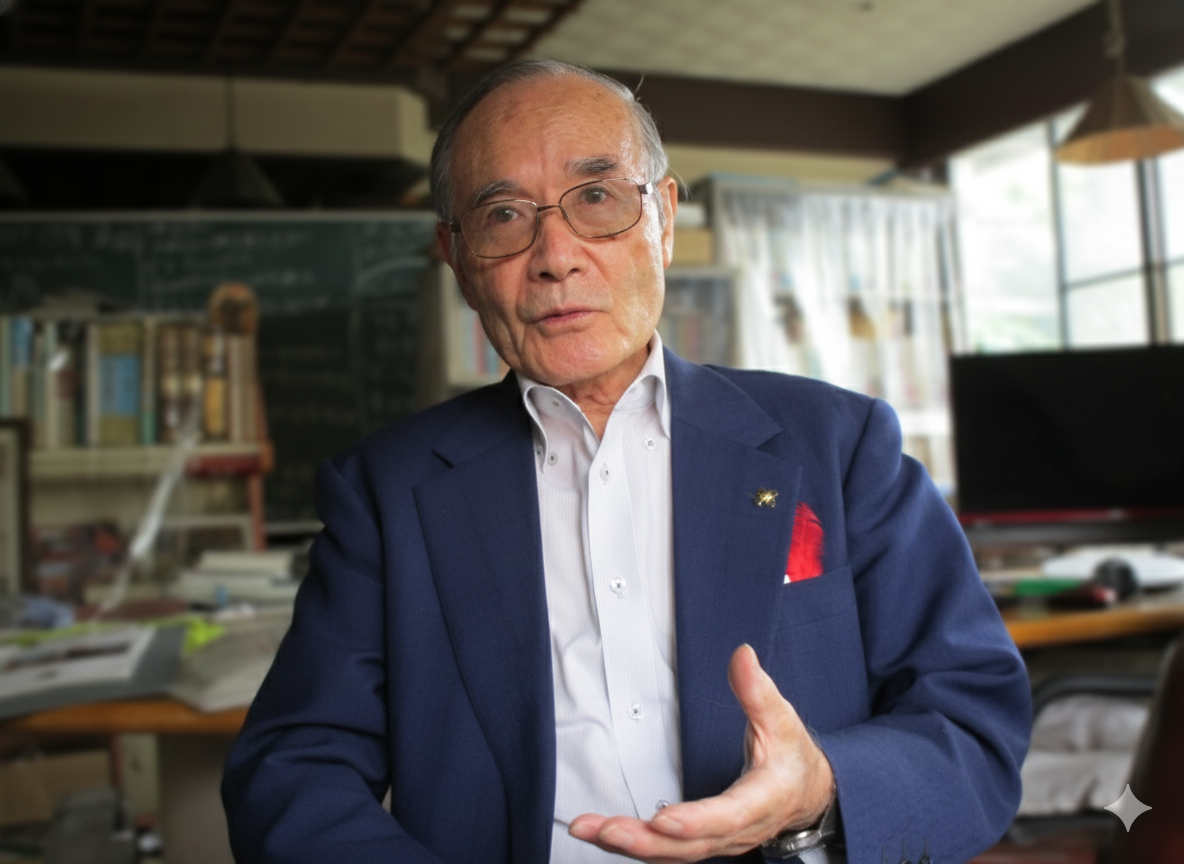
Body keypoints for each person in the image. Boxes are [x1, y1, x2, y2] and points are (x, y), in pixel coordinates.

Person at [222, 59, 1030, 864]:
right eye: (503, 215)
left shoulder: (839, 443)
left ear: (664, 219)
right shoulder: (386, 491)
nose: (556, 256)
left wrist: (818, 788)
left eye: (598, 198)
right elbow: (292, 771)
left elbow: (974, 723)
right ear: (458, 259)